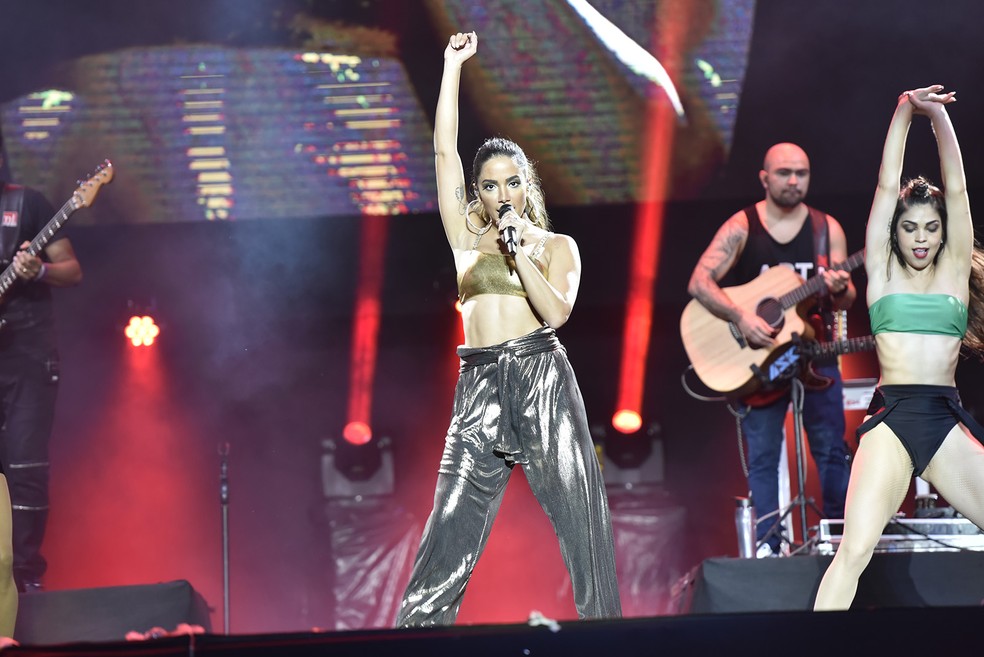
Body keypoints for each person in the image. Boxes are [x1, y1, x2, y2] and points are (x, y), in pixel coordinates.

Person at [395, 31, 621, 626]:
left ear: (528, 186)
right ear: (479, 193)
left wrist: (522, 252)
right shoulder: (465, 240)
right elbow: (444, 152)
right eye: (490, 185)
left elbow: (558, 314)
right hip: (479, 384)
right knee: (448, 529)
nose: (501, 194)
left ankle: (607, 638)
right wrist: (450, 69)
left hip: (541, 372)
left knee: (583, 522)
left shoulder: (556, 246)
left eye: (512, 182)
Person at [814, 85, 984, 610]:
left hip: (943, 420)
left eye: (931, 229)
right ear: (895, 232)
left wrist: (937, 116)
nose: (920, 238)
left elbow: (956, 189)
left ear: (942, 234)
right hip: (892, 420)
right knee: (854, 551)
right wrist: (904, 111)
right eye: (909, 228)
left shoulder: (954, 271)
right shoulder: (883, 272)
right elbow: (888, 183)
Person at [687, 142, 856, 556]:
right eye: (784, 173)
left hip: (815, 354)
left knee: (833, 449)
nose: (794, 181)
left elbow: (846, 298)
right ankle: (768, 544)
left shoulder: (826, 228)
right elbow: (699, 283)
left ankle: (836, 538)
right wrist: (741, 317)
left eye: (802, 173)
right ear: (765, 178)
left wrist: (841, 288)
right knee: (763, 455)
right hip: (760, 362)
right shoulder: (742, 226)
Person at [0, 127, 83, 596]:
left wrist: (41, 270)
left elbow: (72, 270)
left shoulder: (26, 205)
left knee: (25, 467)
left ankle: (27, 576)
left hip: (29, 357)